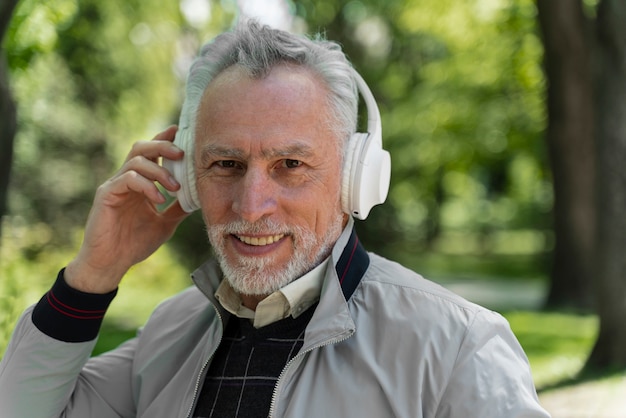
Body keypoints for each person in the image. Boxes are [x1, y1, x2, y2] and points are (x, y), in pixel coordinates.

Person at [0, 21, 550, 418]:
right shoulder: (170, 334)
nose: (251, 204)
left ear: (354, 177)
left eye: (290, 165)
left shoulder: (455, 347)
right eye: (226, 164)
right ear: (189, 178)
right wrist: (93, 274)